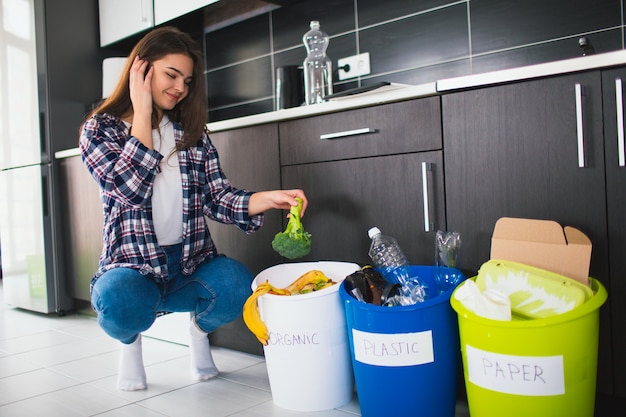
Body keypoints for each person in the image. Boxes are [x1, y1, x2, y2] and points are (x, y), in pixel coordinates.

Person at [79, 26, 307, 391]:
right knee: (117, 302)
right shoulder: (99, 130)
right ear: (141, 69)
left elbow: (216, 197)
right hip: (132, 267)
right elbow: (129, 189)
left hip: (189, 263)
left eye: (186, 80)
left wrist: (266, 198)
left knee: (236, 286)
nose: (180, 88)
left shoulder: (192, 134)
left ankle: (198, 334)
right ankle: (130, 344)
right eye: (171, 75)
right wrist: (141, 112)